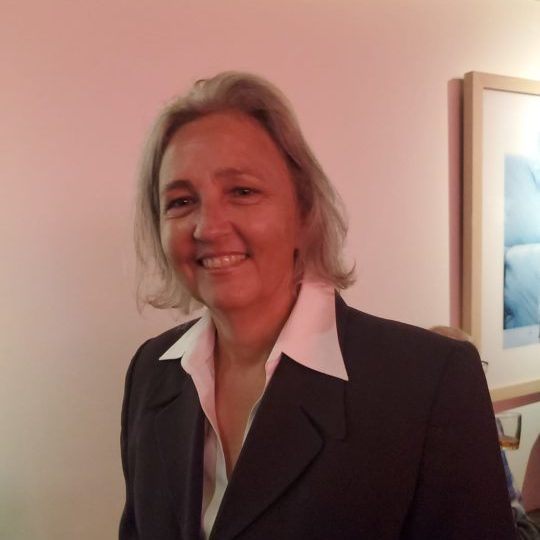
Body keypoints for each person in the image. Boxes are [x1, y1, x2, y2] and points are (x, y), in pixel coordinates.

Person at [119, 72, 516, 540]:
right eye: (181, 201)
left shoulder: (430, 383)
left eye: (242, 191)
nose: (208, 227)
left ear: (304, 210)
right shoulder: (151, 371)